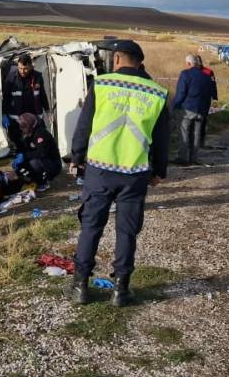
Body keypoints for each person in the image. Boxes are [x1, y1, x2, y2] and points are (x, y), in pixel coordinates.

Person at [71, 40, 169, 307]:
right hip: (134, 172)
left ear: (116, 59)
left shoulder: (102, 84)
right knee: (127, 231)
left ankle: (80, 286)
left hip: (99, 170)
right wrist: (159, 170)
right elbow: (162, 139)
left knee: (91, 227)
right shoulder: (157, 92)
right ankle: (120, 290)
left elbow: (84, 125)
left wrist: (77, 157)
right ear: (140, 62)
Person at [172, 54, 217, 166]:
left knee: (184, 132)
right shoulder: (206, 76)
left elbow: (181, 93)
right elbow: (211, 93)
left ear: (188, 63)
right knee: (196, 134)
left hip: (187, 109)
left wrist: (175, 105)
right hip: (201, 110)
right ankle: (194, 158)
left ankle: (183, 158)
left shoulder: (185, 74)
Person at [2, 53, 50, 153]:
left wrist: (48, 111)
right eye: (20, 68)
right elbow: (5, 97)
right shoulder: (11, 77)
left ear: (31, 66)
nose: (22, 71)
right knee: (18, 142)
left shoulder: (37, 77)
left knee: (39, 139)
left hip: (34, 116)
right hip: (17, 117)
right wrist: (4, 114)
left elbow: (42, 95)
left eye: (25, 69)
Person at [13, 112, 62, 192]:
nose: (21, 128)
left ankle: (43, 182)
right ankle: (32, 180)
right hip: (41, 160)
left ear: (28, 126)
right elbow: (26, 150)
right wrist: (18, 159)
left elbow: (42, 153)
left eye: (23, 126)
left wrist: (24, 156)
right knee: (21, 164)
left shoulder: (41, 134)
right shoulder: (28, 134)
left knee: (34, 162)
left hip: (53, 164)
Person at [194, 55, 218, 149]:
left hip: (203, 100)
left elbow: (213, 85)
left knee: (202, 121)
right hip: (199, 101)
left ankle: (200, 143)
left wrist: (215, 98)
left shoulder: (209, 72)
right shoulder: (191, 72)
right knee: (198, 121)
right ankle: (197, 142)